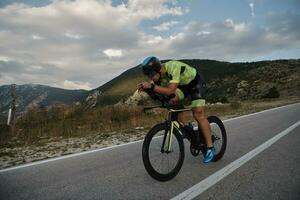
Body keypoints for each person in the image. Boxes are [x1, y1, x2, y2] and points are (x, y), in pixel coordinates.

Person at [138, 56, 215, 163]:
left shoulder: (172, 66)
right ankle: (188, 127)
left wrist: (151, 87)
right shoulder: (160, 78)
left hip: (195, 83)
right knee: (171, 101)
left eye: (151, 74)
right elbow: (160, 96)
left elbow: (170, 90)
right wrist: (149, 91)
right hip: (183, 88)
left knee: (198, 113)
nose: (151, 78)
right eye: (148, 76)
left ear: (159, 70)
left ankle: (210, 148)